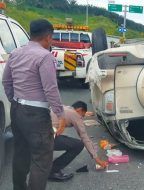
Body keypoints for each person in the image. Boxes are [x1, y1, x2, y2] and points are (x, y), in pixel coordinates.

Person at [2, 19, 65, 190]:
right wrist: (60, 115)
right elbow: (51, 89)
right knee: (41, 159)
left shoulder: (16, 53)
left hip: (17, 110)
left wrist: (14, 100)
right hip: (36, 115)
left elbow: (6, 80)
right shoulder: (45, 57)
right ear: (48, 36)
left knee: (21, 153)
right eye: (51, 38)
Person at [49, 101, 108, 181]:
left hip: (33, 135)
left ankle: (47, 165)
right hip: (45, 138)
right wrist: (97, 159)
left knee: (65, 138)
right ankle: (52, 171)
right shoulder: (75, 114)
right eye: (82, 115)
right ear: (79, 110)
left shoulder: (65, 108)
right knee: (78, 145)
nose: (82, 118)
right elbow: (84, 137)